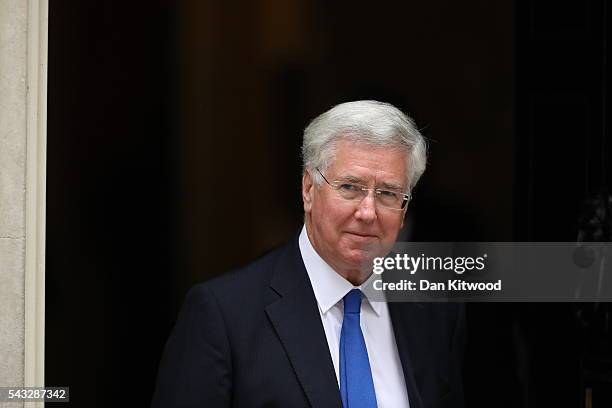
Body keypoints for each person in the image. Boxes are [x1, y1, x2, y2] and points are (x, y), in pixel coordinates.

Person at [151, 100, 465, 408]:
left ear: (404, 207)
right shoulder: (224, 316)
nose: (368, 212)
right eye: (350, 187)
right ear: (308, 189)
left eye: (387, 193)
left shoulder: (432, 311)